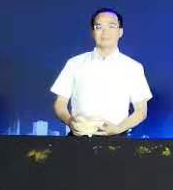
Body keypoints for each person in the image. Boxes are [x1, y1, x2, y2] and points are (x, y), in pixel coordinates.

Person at [49, 8, 152, 136]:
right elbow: (60, 104)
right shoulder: (74, 63)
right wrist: (70, 121)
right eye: (99, 27)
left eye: (111, 26)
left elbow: (141, 111)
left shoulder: (133, 67)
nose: (105, 32)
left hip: (117, 137)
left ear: (120, 32)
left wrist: (118, 128)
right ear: (93, 32)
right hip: (79, 137)